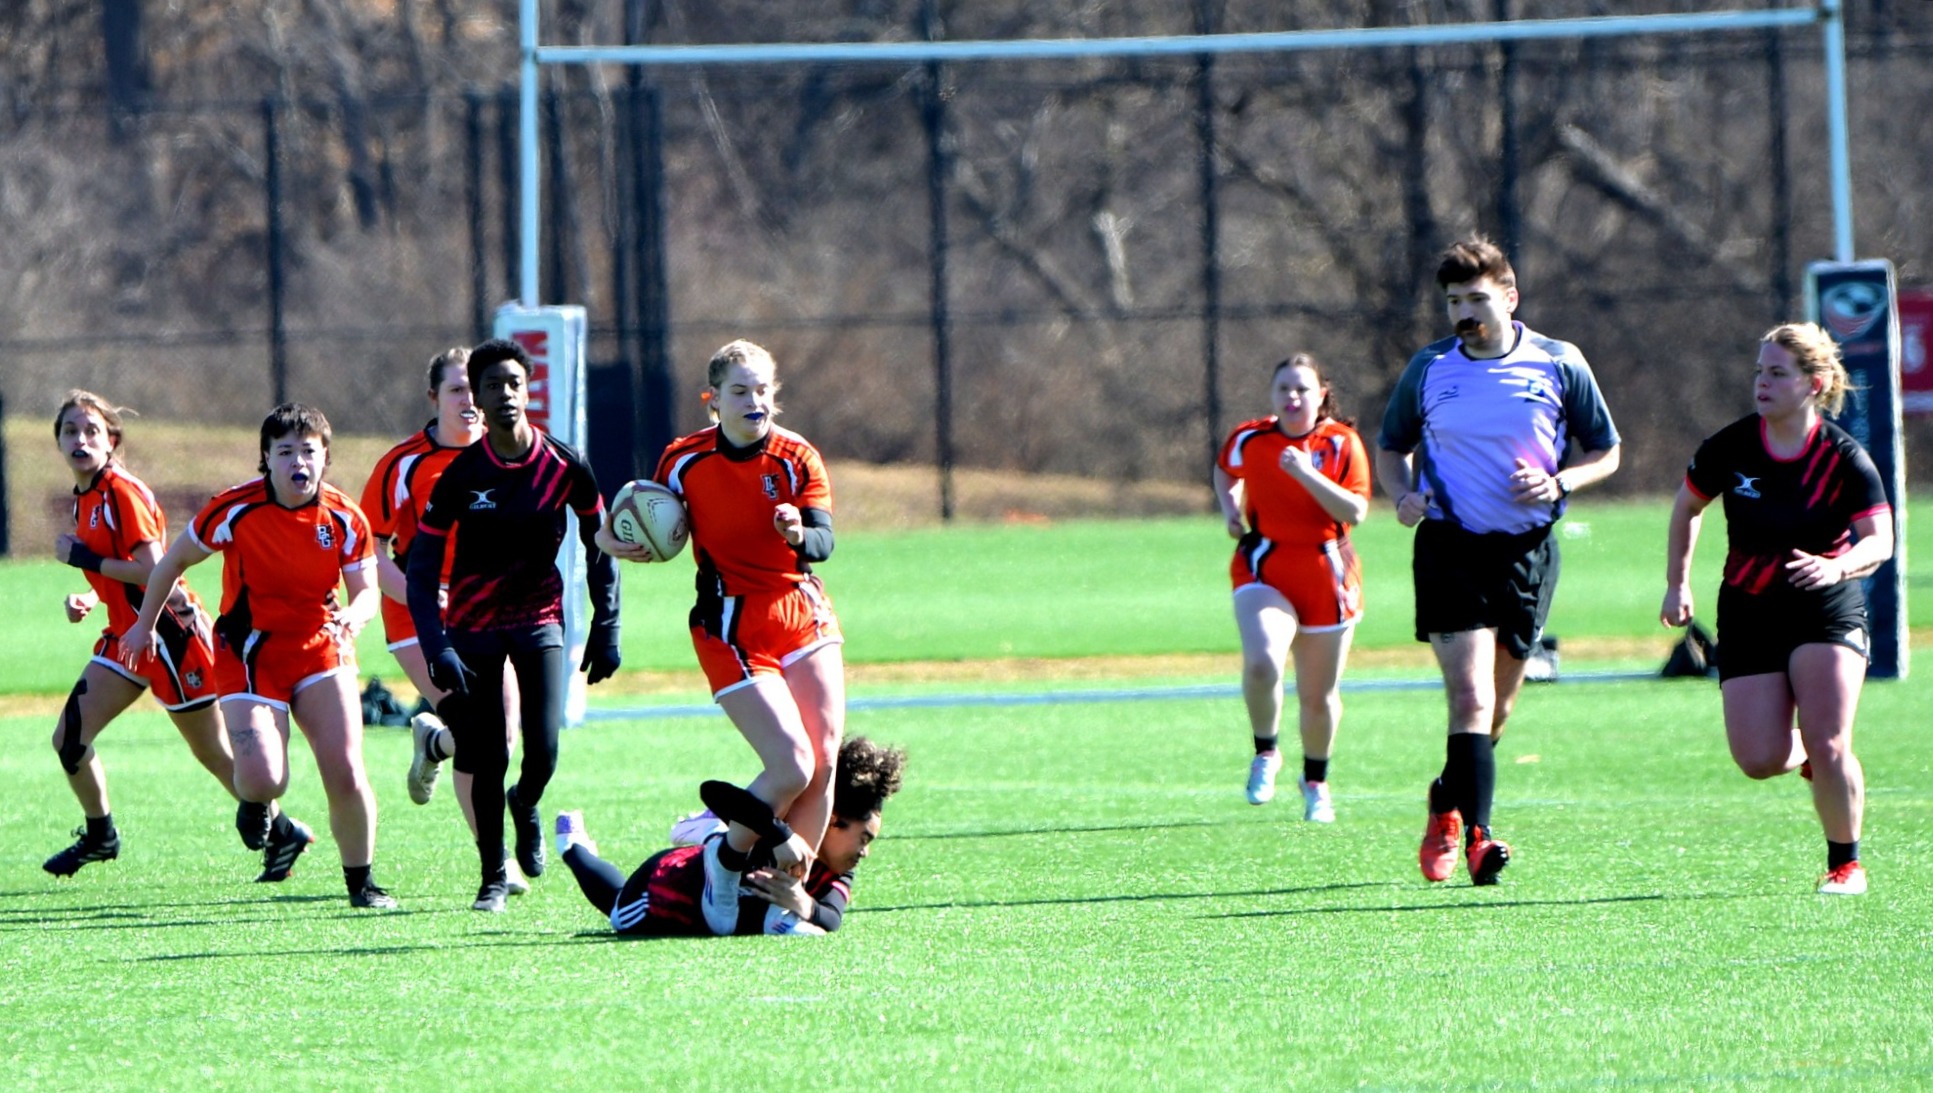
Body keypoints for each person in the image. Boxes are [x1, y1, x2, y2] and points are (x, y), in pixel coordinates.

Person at [1376, 236, 1621, 886]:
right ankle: (1481, 838)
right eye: (1453, 300)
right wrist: (1401, 494)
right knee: (1470, 696)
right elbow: (1390, 445)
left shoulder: (1558, 362)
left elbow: (1605, 449)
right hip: (1448, 546)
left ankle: (1445, 801)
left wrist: (1559, 482)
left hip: (1526, 554)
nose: (1464, 311)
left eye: (1476, 297)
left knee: (1497, 713)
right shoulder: (1429, 367)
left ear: (1509, 298)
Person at [122, 403, 395, 909]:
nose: (299, 462)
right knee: (265, 778)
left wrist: (357, 615)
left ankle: (362, 883)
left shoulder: (344, 515)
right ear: (265, 459)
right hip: (249, 653)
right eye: (285, 451)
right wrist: (143, 628)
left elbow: (368, 589)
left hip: (321, 649)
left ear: (325, 459)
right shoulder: (233, 509)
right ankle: (255, 803)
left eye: (309, 452)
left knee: (347, 770)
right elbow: (172, 562)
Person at [596, 339, 839, 903]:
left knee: (823, 763)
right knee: (791, 767)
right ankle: (722, 867)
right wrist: (613, 538)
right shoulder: (682, 460)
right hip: (730, 623)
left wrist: (799, 533)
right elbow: (652, 527)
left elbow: (824, 541)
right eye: (740, 391)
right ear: (714, 400)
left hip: (802, 613)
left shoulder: (797, 457)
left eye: (762, 390)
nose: (754, 400)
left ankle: (784, 902)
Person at [1661, 323, 1893, 896]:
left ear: (1813, 385)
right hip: (1749, 609)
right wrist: (1677, 583)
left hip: (1825, 609)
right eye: (1759, 372)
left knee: (1831, 739)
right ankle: (1812, 754)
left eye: (1777, 374)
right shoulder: (1732, 446)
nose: (1762, 383)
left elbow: (1878, 540)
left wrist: (1838, 567)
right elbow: (1688, 505)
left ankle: (1846, 865)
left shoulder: (1842, 456)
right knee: (1758, 758)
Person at [407, 337, 622, 913]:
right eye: (492, 385)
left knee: (543, 751)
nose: (504, 394)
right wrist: (436, 645)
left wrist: (608, 625)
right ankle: (492, 880)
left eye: (514, 383)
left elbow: (600, 543)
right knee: (488, 752)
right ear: (474, 398)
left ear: (528, 392)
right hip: (474, 627)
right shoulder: (459, 476)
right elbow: (422, 569)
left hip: (539, 620)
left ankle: (526, 803)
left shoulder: (564, 464)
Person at [42, 391, 264, 877]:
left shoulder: (123, 492)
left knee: (212, 753)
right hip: (127, 639)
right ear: (57, 441)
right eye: (70, 431)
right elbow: (118, 580)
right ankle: (101, 835)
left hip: (170, 635)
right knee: (70, 739)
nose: (80, 439)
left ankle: (283, 832)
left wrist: (83, 559)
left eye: (91, 431)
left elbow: (152, 571)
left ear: (111, 440)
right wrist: (91, 595)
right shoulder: (87, 498)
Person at [359, 347, 529, 893]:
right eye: (456, 389)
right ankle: (495, 861)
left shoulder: (509, 453)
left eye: (474, 388)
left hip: (485, 610)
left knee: (503, 735)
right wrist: (419, 598)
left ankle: (435, 743)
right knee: (481, 734)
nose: (469, 401)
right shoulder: (401, 464)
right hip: (418, 618)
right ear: (434, 398)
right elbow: (368, 553)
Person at [1212, 355, 1371, 822]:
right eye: (1283, 389)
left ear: (1322, 394)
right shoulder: (1252, 437)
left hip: (1327, 571)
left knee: (1319, 696)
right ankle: (1266, 752)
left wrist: (1305, 472)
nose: (1292, 398)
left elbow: (1356, 511)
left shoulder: (1342, 444)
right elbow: (1226, 470)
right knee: (1262, 663)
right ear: (1272, 395)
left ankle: (1316, 781)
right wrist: (1228, 508)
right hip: (1264, 564)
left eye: (1302, 389)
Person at [557, 736, 906, 937]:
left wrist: (803, 904)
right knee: (618, 908)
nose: (865, 852)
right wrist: (777, 831)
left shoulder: (840, 866)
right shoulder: (790, 834)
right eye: (864, 839)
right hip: (669, 887)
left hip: (724, 905)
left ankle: (713, 830)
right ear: (832, 822)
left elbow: (831, 918)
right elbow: (713, 791)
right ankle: (573, 847)